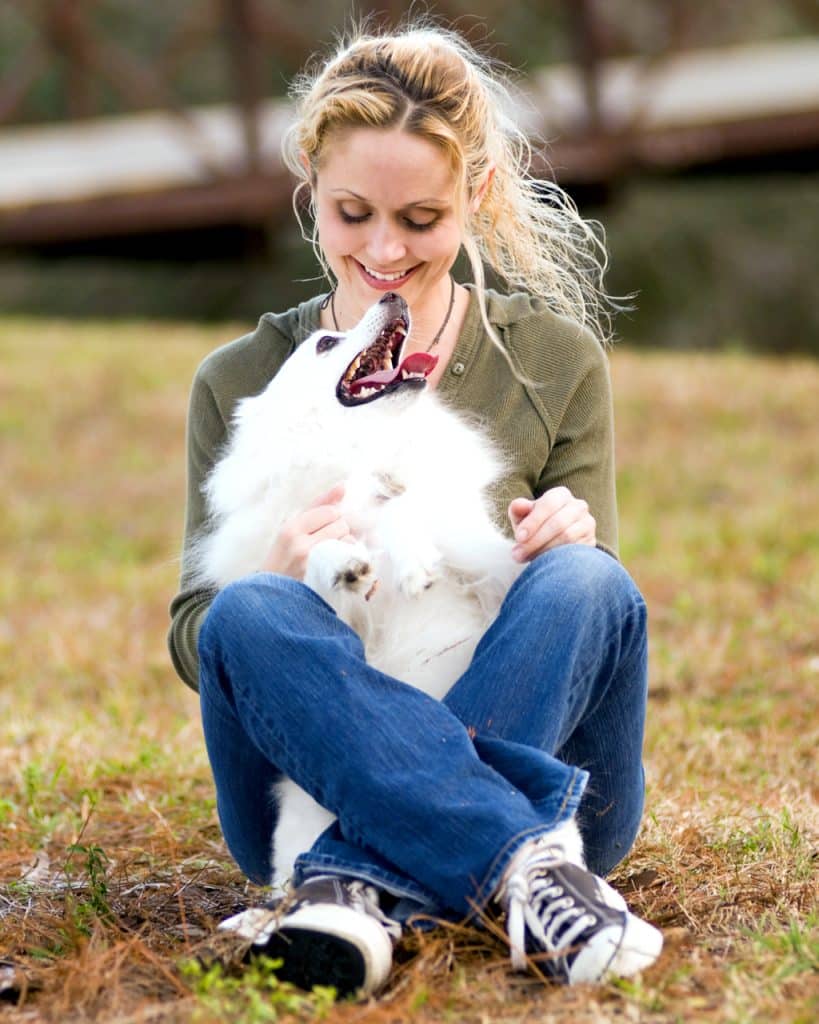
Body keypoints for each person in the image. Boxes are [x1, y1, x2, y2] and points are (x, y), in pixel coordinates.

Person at [168, 21, 663, 997]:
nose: (384, 249)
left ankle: (355, 884)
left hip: (555, 769)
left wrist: (567, 537)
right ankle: (520, 867)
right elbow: (199, 643)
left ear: (475, 196)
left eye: (422, 218)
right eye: (352, 212)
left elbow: (582, 624)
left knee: (587, 579)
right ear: (310, 186)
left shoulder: (557, 364)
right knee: (249, 612)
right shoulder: (242, 382)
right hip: (310, 789)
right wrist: (273, 572)